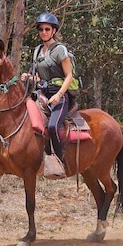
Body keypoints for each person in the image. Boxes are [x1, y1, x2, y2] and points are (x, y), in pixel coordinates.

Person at [22, 12, 73, 164]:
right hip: (41, 95)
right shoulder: (37, 50)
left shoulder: (60, 50)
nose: (44, 32)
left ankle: (61, 160)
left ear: (54, 31)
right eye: (41, 29)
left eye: (47, 29)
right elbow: (39, 76)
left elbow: (69, 76)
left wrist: (58, 95)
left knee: (52, 127)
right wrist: (30, 78)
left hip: (59, 96)